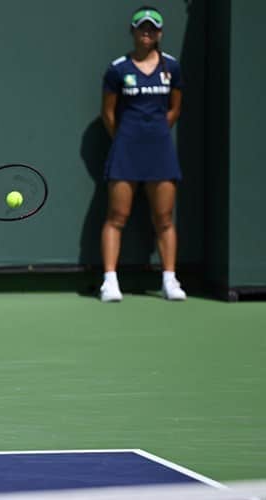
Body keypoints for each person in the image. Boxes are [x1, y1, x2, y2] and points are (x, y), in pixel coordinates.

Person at [99, 5, 187, 302]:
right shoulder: (118, 69)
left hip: (160, 150)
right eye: (141, 27)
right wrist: (127, 138)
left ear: (159, 33)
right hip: (126, 149)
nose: (146, 32)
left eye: (152, 28)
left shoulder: (171, 68)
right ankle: (110, 281)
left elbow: (174, 108)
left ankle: (169, 280)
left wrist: (156, 134)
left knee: (164, 218)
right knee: (117, 215)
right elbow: (108, 114)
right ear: (133, 32)